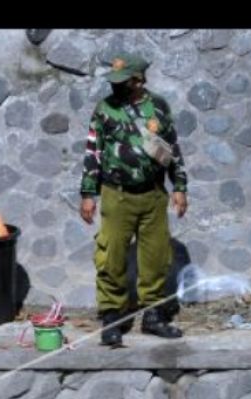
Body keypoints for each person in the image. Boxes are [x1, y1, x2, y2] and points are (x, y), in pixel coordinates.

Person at [79, 53, 189, 347]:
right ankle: (113, 316)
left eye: (123, 81)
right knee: (111, 256)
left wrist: (179, 186)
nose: (116, 86)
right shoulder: (105, 109)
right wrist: (88, 193)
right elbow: (93, 152)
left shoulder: (158, 107)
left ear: (139, 80)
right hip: (117, 194)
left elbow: (171, 149)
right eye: (114, 81)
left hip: (153, 194)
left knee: (155, 258)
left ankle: (153, 316)